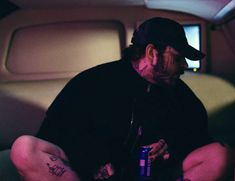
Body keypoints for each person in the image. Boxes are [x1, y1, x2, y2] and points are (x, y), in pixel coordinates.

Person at [10, 17, 234, 181]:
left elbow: (199, 138)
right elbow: (54, 135)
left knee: (220, 154)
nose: (185, 65)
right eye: (178, 57)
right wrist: (96, 162)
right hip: (92, 175)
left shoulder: (180, 94)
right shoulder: (93, 83)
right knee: (23, 148)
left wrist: (170, 147)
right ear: (152, 54)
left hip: (156, 177)